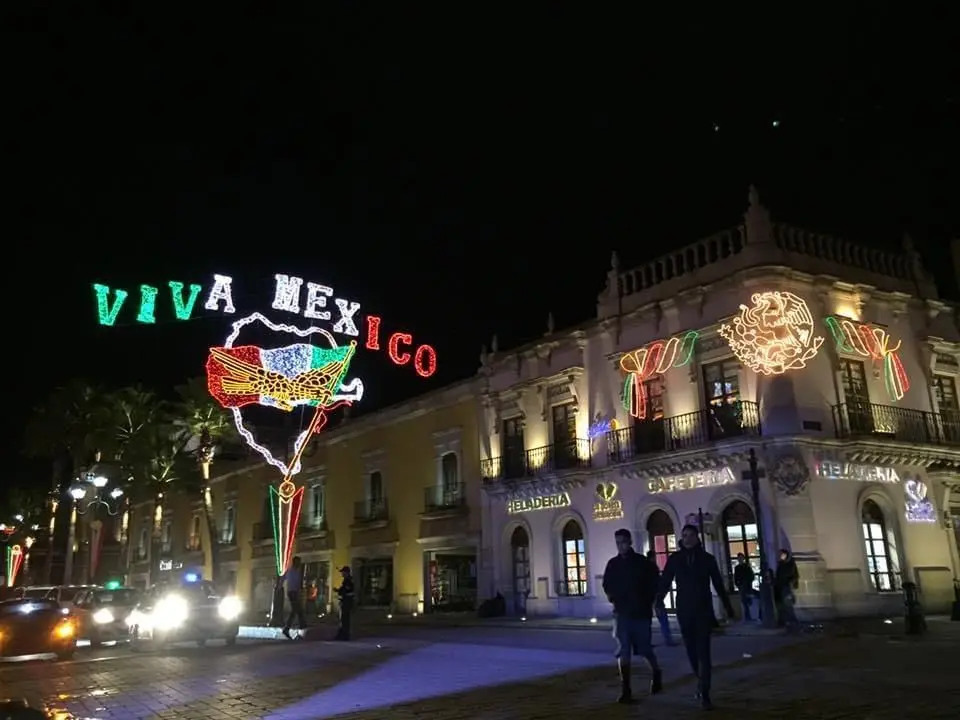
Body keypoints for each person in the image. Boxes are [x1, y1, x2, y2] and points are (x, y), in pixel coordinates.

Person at [658, 524, 735, 710]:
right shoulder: (676, 558)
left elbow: (717, 582)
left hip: (702, 611)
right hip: (684, 611)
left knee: (704, 654)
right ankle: (700, 680)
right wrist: (657, 600)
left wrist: (728, 607)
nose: (687, 538)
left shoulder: (707, 559)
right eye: (684, 535)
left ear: (697, 537)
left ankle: (705, 692)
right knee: (691, 652)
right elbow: (666, 580)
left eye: (690, 535)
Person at [602, 529, 663, 704]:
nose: (620, 545)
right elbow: (607, 584)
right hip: (622, 614)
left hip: (641, 613)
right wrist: (613, 598)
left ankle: (656, 671)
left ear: (629, 542)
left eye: (623, 542)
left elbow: (654, 583)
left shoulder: (642, 563)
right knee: (623, 650)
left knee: (644, 649)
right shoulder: (613, 564)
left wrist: (648, 601)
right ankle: (626, 688)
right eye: (617, 542)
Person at [646, 549, 677, 646]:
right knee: (663, 619)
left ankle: (646, 642)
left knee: (647, 621)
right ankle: (668, 640)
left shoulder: (644, 567)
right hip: (656, 596)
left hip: (647, 597)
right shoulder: (653, 567)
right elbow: (657, 581)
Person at [281, 555, 306, 639]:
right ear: (295, 562)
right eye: (298, 562)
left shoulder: (297, 572)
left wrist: (301, 590)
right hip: (292, 592)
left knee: (298, 610)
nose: (299, 564)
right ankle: (291, 628)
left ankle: (302, 628)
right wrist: (279, 586)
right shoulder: (290, 571)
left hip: (296, 592)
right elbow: (283, 578)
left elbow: (299, 583)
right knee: (296, 610)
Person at [775, 548, 800, 630]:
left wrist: (792, 583)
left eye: (781, 554)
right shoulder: (781, 564)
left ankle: (792, 621)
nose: (780, 556)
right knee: (781, 605)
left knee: (788, 605)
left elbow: (792, 574)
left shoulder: (789, 564)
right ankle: (784, 621)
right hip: (780, 587)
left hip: (786, 586)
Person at [334, 566, 355, 641]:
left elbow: (346, 590)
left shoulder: (348, 580)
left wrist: (339, 591)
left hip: (347, 601)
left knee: (344, 619)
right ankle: (343, 634)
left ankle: (344, 635)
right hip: (346, 601)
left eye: (343, 572)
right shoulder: (347, 580)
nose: (342, 573)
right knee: (344, 619)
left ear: (346, 573)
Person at [733, 553, 756, 622]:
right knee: (745, 601)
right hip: (743, 586)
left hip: (746, 586)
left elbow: (751, 576)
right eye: (739, 558)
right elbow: (736, 577)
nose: (740, 559)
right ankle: (748, 616)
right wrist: (738, 584)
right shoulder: (739, 567)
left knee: (748, 601)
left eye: (741, 558)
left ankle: (749, 616)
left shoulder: (746, 567)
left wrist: (741, 583)